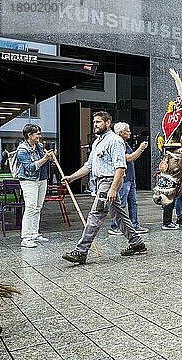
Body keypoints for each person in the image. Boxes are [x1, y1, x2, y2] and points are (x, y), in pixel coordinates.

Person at [61, 111, 147, 264]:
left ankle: (81, 251)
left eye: (99, 122)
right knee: (119, 216)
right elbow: (89, 166)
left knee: (95, 215)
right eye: (94, 122)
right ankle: (137, 243)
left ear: (108, 123)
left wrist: (113, 189)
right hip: (101, 182)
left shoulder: (115, 141)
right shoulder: (97, 143)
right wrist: (71, 177)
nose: (95, 125)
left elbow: (121, 167)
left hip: (108, 182)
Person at [107, 122, 149, 235]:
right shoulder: (117, 144)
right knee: (121, 204)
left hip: (130, 178)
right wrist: (140, 148)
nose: (130, 132)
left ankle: (134, 224)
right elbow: (129, 158)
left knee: (133, 202)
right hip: (123, 179)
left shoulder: (125, 143)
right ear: (121, 133)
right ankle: (115, 226)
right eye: (128, 130)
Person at [16, 124, 53, 248]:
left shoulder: (39, 146)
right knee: (30, 207)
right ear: (29, 135)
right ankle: (26, 238)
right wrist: (45, 159)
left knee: (38, 207)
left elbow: (45, 160)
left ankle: (34, 233)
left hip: (42, 179)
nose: (40, 136)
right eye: (37, 134)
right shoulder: (22, 150)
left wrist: (50, 157)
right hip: (29, 180)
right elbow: (30, 168)